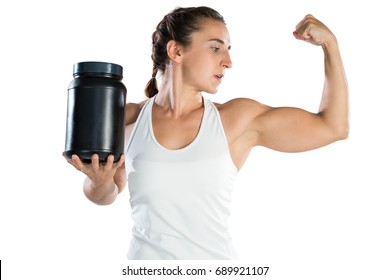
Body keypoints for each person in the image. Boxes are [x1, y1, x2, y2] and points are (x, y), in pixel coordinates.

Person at [64, 6, 349, 260]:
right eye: (216, 48)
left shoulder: (237, 119)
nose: (228, 61)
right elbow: (105, 192)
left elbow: (333, 127)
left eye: (228, 49)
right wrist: (98, 184)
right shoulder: (126, 119)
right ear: (176, 51)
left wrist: (330, 46)